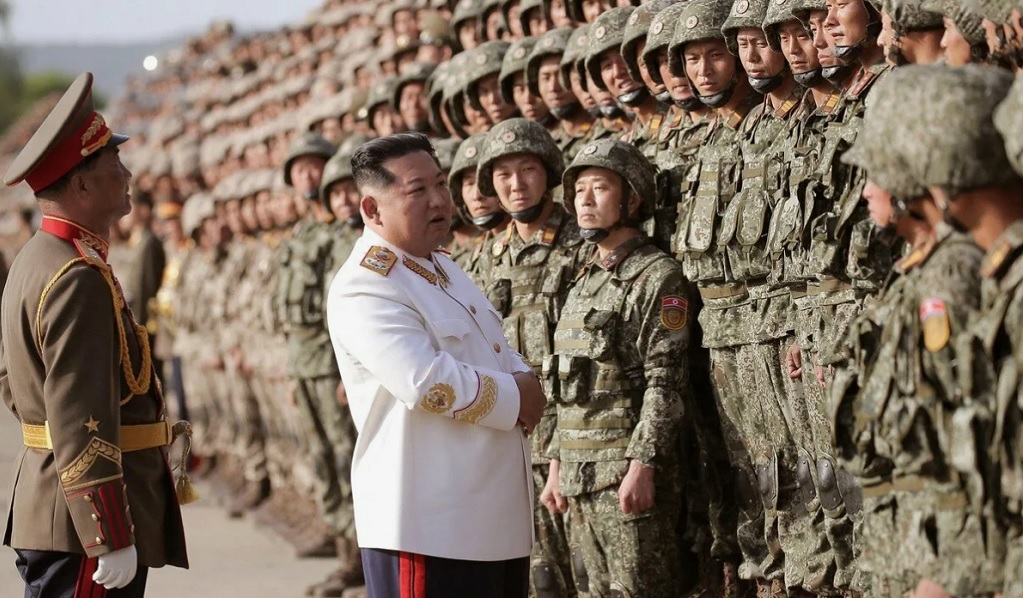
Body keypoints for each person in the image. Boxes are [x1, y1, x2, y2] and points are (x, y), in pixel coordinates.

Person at [327, 132, 544, 598]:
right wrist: (517, 396)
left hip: (493, 518)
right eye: (416, 191)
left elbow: (495, 346)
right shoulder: (366, 284)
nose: (438, 200)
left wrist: (525, 376)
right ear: (372, 209)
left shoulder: (441, 267)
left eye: (440, 185)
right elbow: (425, 382)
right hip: (430, 527)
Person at [1, 72, 189, 597]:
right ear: (82, 184)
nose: (127, 175)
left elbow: (13, 383)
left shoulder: (39, 259)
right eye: (114, 164)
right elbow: (78, 414)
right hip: (84, 525)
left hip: (59, 505)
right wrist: (107, 530)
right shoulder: (75, 276)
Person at [542, 138, 692, 597]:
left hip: (623, 475)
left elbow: (665, 379)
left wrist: (643, 463)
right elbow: (566, 379)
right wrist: (556, 463)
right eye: (579, 189)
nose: (584, 200)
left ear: (632, 197)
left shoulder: (658, 277)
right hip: (579, 476)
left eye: (600, 188)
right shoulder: (583, 279)